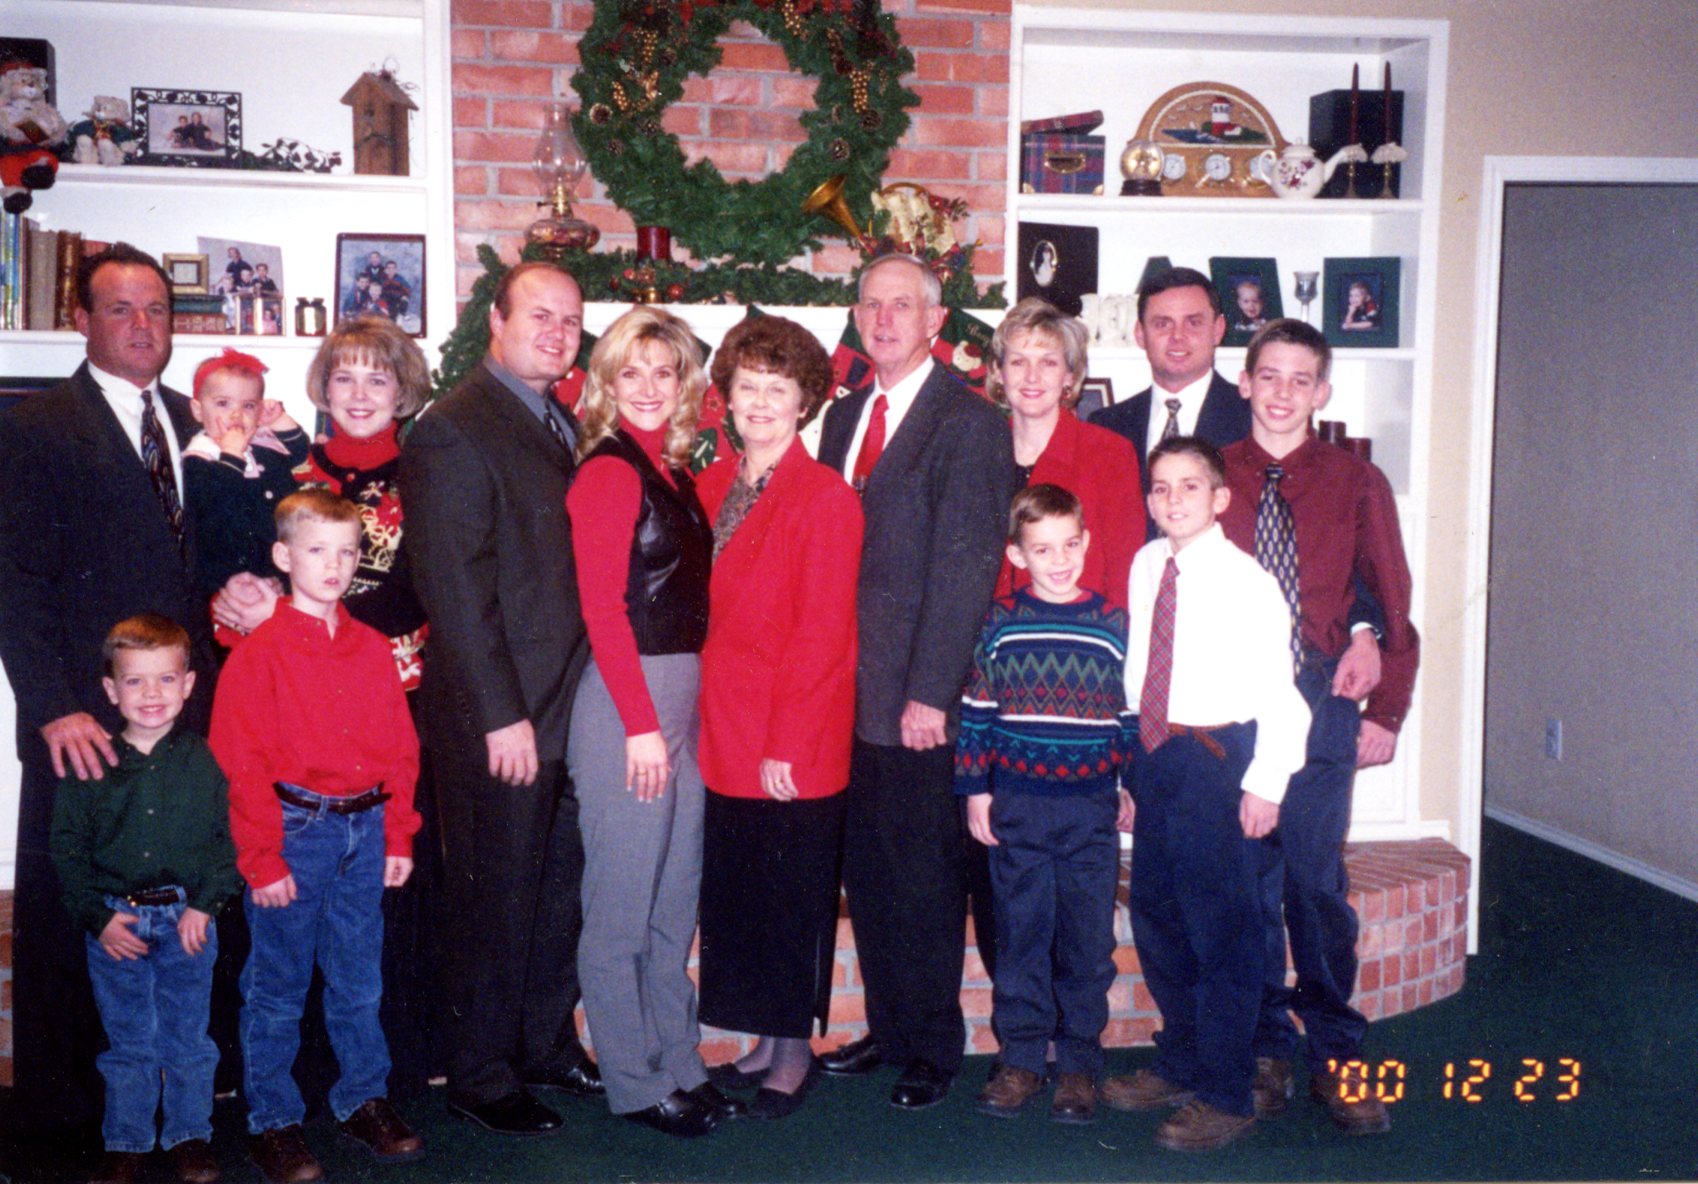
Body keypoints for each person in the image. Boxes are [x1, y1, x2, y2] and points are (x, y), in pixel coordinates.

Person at [0, 242, 221, 1134]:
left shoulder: (197, 420)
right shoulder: (36, 426)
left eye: (157, 309)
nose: (142, 325)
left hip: (187, 718)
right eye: (120, 308)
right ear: (82, 320)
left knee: (189, 908)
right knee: (77, 913)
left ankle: (188, 1107)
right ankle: (66, 1121)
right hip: (83, 719)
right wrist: (52, 703)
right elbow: (14, 579)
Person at [400, 260, 601, 1137]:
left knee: (556, 889)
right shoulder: (454, 428)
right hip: (504, 715)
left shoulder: (558, 417)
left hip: (566, 707)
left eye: (570, 321)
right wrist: (500, 715)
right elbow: (454, 590)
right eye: (539, 316)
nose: (556, 334)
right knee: (495, 897)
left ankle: (543, 1042)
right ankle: (481, 1074)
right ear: (496, 319)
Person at [211, 315, 437, 1093]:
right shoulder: (286, 465)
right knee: (282, 935)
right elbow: (246, 562)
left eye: (379, 377)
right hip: (296, 716)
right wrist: (238, 600)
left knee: (369, 933)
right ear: (323, 388)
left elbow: (436, 584)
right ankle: (282, 1091)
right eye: (345, 377)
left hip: (394, 703)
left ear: (403, 390)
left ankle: (372, 1084)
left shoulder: (427, 470)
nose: (361, 392)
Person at [814, 253, 1018, 1109]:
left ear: (936, 321)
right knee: (868, 871)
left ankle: (934, 1044)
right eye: (872, 305)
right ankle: (890, 1029)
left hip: (918, 701)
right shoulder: (844, 414)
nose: (886, 319)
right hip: (845, 693)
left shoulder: (969, 423)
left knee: (925, 875)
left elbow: (966, 571)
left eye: (904, 306)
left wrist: (932, 692)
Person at [1218, 319, 1419, 1133]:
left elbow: (1389, 593)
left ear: (1322, 393)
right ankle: (1265, 1045)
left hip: (1321, 693)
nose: (1282, 393)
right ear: (1245, 382)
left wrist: (1388, 706)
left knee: (1311, 882)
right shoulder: (1211, 474)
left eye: (1301, 379)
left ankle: (1336, 1050)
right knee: (1245, 884)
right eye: (1269, 375)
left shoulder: (1355, 480)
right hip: (1230, 701)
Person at [1099, 436, 1310, 1152]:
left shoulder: (1248, 581)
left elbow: (1280, 693)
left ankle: (1226, 1090)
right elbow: (1138, 673)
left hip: (1220, 761)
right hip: (1159, 756)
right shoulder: (1146, 564)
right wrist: (1131, 771)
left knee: (1224, 930)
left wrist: (1266, 784)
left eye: (1190, 486)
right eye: (1160, 487)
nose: (1173, 499)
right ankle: (1183, 1060)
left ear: (1220, 498)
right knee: (1160, 918)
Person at [209, 489, 424, 1183]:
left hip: (366, 829)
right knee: (278, 984)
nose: (333, 566)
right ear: (283, 556)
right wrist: (261, 857)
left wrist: (398, 834)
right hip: (294, 833)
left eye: (347, 553)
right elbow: (240, 761)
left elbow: (400, 748)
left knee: (359, 976)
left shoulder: (371, 648)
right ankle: (273, 1119)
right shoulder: (260, 652)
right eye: (316, 551)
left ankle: (362, 1097)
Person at [564, 306, 739, 1138]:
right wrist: (639, 725)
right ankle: (635, 1084)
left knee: (673, 908)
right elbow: (603, 609)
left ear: (683, 385)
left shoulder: (668, 470)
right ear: (606, 381)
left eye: (662, 372)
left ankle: (681, 1063)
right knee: (622, 913)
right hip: (625, 708)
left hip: (677, 706)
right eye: (629, 372)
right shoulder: (608, 473)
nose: (646, 387)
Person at [693, 316, 863, 1120]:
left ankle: (793, 1053)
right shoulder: (708, 486)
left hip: (791, 735)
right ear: (726, 398)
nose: (761, 402)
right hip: (721, 728)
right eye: (748, 386)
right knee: (745, 890)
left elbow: (824, 632)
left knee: (791, 893)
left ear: (805, 402)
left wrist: (786, 743)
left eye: (778, 388)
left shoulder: (826, 497)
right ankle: (764, 1040)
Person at [957, 485, 1134, 1126]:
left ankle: (1080, 1062)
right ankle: (1023, 1058)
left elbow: (1128, 715)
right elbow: (977, 709)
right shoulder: (1001, 622)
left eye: (1068, 545)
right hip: (1019, 806)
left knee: (1087, 940)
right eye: (1042, 549)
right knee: (1022, 935)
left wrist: (1130, 783)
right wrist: (975, 788)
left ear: (1085, 543)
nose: (1058, 561)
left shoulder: (1113, 625)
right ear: (1017, 554)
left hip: (1090, 809)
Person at [50, 615, 240, 1184]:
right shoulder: (91, 765)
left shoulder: (207, 759)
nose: (152, 694)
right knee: (128, 1039)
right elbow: (66, 850)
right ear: (111, 690)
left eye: (166, 679)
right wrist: (98, 917)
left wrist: (206, 905)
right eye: (135, 681)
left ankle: (190, 1136)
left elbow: (228, 841)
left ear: (188, 684)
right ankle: (127, 1140)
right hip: (118, 923)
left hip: (188, 920)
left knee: (188, 1036)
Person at [989, 296, 1143, 609]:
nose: (1032, 376)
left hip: (1082, 632)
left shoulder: (1109, 453)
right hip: (995, 635)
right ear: (999, 373)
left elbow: (1125, 573)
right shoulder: (979, 452)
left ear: (1070, 376)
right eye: (1018, 362)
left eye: (1048, 363)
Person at [182, 348, 308, 601]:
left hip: (277, 568)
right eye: (223, 403)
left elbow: (299, 453)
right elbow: (214, 504)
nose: (236, 414)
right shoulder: (200, 456)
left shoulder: (262, 443)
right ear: (198, 410)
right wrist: (231, 454)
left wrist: (278, 420)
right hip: (229, 574)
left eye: (248, 405)